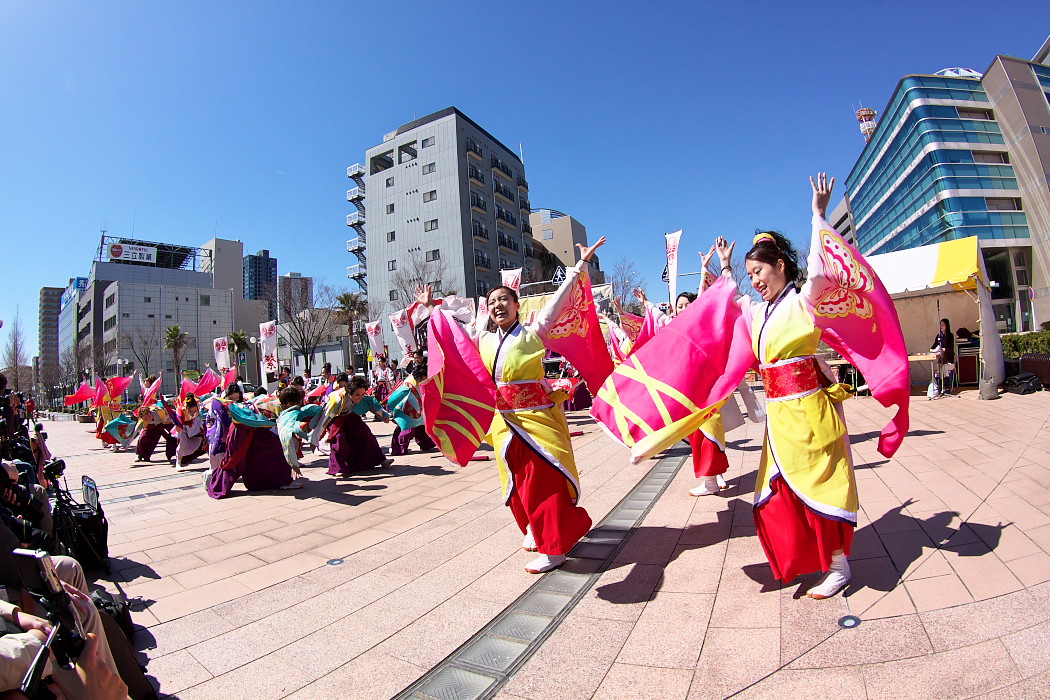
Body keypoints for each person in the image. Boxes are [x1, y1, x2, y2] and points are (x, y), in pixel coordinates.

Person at [414, 237, 607, 574]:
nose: (498, 305)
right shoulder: (484, 339)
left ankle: (554, 548)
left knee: (541, 482)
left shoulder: (535, 331)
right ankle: (537, 528)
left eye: (504, 299)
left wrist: (580, 267)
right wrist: (432, 309)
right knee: (515, 485)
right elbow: (452, 337)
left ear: (517, 305)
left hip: (537, 422)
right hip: (502, 425)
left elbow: (561, 301)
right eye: (492, 302)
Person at [323, 376, 393, 477]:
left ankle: (381, 459)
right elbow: (326, 414)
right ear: (349, 392)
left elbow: (373, 404)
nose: (360, 397)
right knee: (339, 438)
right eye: (357, 395)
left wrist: (385, 416)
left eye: (362, 394)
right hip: (336, 419)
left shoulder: (363, 398)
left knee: (366, 434)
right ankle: (339, 468)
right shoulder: (337, 398)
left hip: (352, 417)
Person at [387, 366, 436, 456]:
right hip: (408, 410)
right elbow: (397, 396)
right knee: (407, 430)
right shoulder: (409, 383)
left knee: (421, 428)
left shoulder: (419, 382)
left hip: (418, 410)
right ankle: (399, 448)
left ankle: (426, 444)